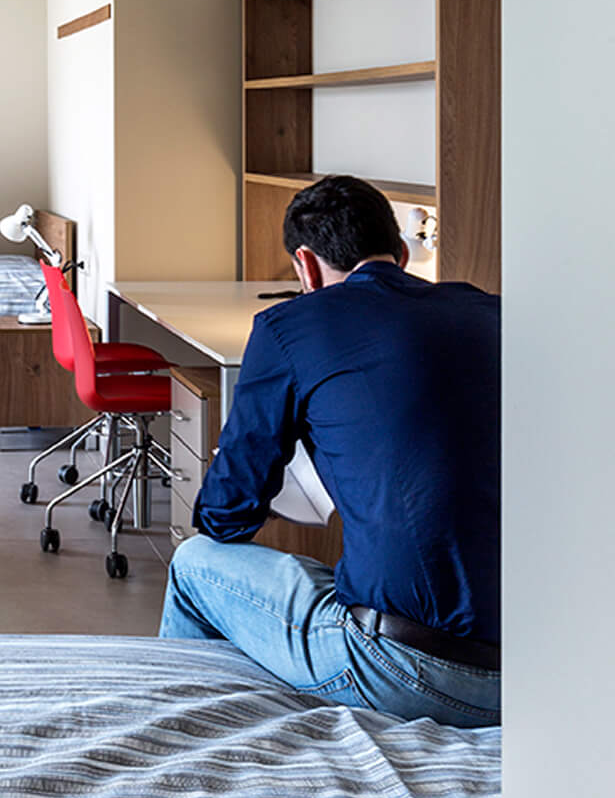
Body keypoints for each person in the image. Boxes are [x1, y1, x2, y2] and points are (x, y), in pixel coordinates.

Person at [159, 175, 500, 727]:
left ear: (306, 266)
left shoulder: (289, 326)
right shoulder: (494, 314)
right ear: (403, 251)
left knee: (195, 563)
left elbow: (227, 515)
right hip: (542, 660)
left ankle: (181, 731)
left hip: (405, 666)